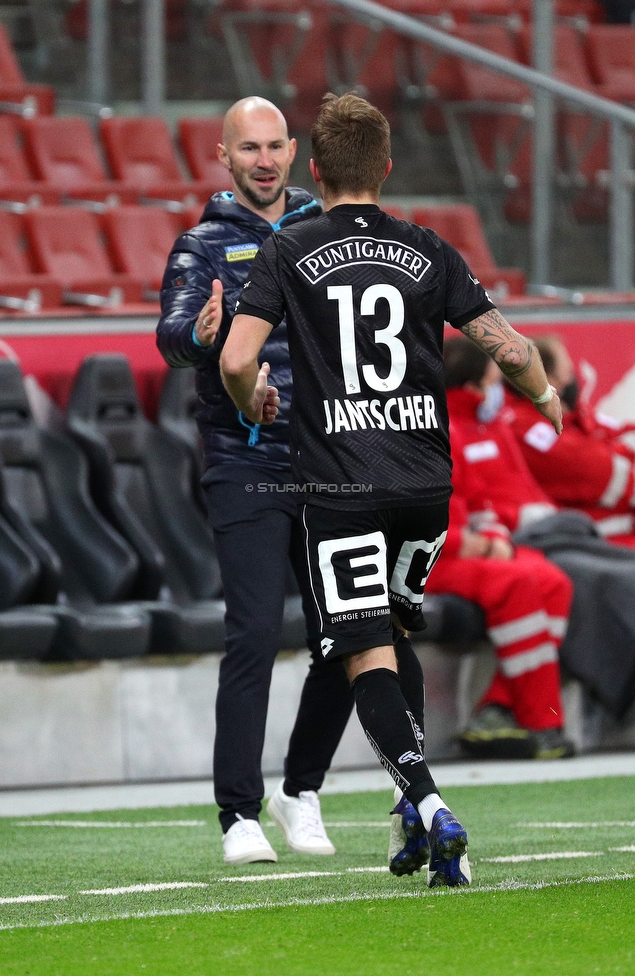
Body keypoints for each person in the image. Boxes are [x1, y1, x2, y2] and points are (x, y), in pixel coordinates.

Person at [220, 92, 563, 887]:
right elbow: (508, 348)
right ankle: (413, 816)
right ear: (387, 169)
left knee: (363, 648)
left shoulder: (289, 246)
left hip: (339, 485)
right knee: (394, 634)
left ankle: (429, 803)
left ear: (314, 169)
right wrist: (545, 397)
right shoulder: (428, 249)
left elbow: (239, 361)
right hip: (424, 489)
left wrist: (252, 404)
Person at [157, 96, 357, 866]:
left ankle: (300, 791)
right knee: (253, 636)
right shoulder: (200, 245)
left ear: (295, 150)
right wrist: (199, 337)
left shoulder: (325, 233)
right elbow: (172, 333)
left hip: (332, 461)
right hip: (244, 462)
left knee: (347, 636)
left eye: (275, 145)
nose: (264, 160)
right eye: (250, 148)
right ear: (223, 157)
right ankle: (238, 813)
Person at [444, 333, 635, 726]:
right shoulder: (461, 430)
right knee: (589, 580)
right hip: (511, 545)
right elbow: (591, 473)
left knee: (590, 576)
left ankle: (515, 711)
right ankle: (526, 716)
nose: (502, 389)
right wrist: (500, 535)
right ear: (472, 385)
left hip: (538, 537)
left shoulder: (491, 424)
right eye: (495, 382)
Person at [431, 338, 575, 759]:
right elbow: (403, 520)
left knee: (553, 580)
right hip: (430, 560)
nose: (499, 389)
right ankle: (542, 723)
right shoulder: (426, 433)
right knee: (517, 582)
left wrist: (492, 539)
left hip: (466, 553)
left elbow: (479, 503)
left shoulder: (453, 431)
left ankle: (501, 706)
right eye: (494, 380)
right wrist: (472, 543)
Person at [506, 334, 635, 548]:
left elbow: (616, 432)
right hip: (592, 541)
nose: (571, 380)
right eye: (566, 373)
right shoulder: (527, 429)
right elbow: (598, 471)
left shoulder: (569, 414)